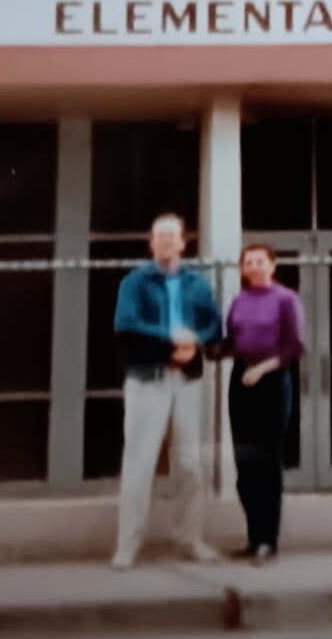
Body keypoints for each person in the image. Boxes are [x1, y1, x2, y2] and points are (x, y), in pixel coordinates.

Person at [110, 213, 223, 570]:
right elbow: (126, 323)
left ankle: (190, 538)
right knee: (140, 463)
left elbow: (213, 323)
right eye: (160, 236)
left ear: (183, 242)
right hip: (148, 379)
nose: (166, 242)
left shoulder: (197, 282)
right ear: (151, 241)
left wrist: (196, 341)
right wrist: (171, 337)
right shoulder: (135, 280)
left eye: (172, 236)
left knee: (190, 463)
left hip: (187, 379)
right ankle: (127, 544)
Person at [224, 243, 305, 565]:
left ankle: (267, 542)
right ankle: (252, 536)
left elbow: (294, 347)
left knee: (268, 464)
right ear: (242, 268)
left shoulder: (285, 299)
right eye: (249, 262)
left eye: (261, 261)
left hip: (272, 381)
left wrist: (261, 369)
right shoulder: (239, 301)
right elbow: (230, 342)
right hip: (242, 381)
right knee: (245, 466)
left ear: (272, 265)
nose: (255, 266)